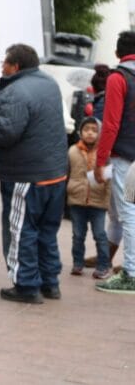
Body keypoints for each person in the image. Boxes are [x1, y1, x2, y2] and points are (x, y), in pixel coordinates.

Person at [0, 43, 67, 303]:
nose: (1, 66)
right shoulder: (49, 84)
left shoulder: (15, 91)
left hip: (26, 177)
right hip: (55, 174)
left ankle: (25, 285)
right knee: (47, 232)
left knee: (21, 231)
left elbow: (4, 133)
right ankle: (50, 283)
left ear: (15, 66)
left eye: (4, 62)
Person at [92, 30, 135, 294]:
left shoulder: (118, 78)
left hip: (124, 157)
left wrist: (100, 161)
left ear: (118, 52)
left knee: (127, 213)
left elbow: (110, 124)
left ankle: (130, 272)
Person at [67, 117, 111, 279]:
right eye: (86, 129)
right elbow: (67, 174)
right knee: (78, 235)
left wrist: (107, 201)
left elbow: (109, 180)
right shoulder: (72, 151)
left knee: (99, 234)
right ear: (80, 132)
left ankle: (103, 265)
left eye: (94, 130)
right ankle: (78, 264)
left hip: (98, 201)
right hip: (77, 200)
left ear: (99, 133)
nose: (90, 133)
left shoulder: (105, 153)